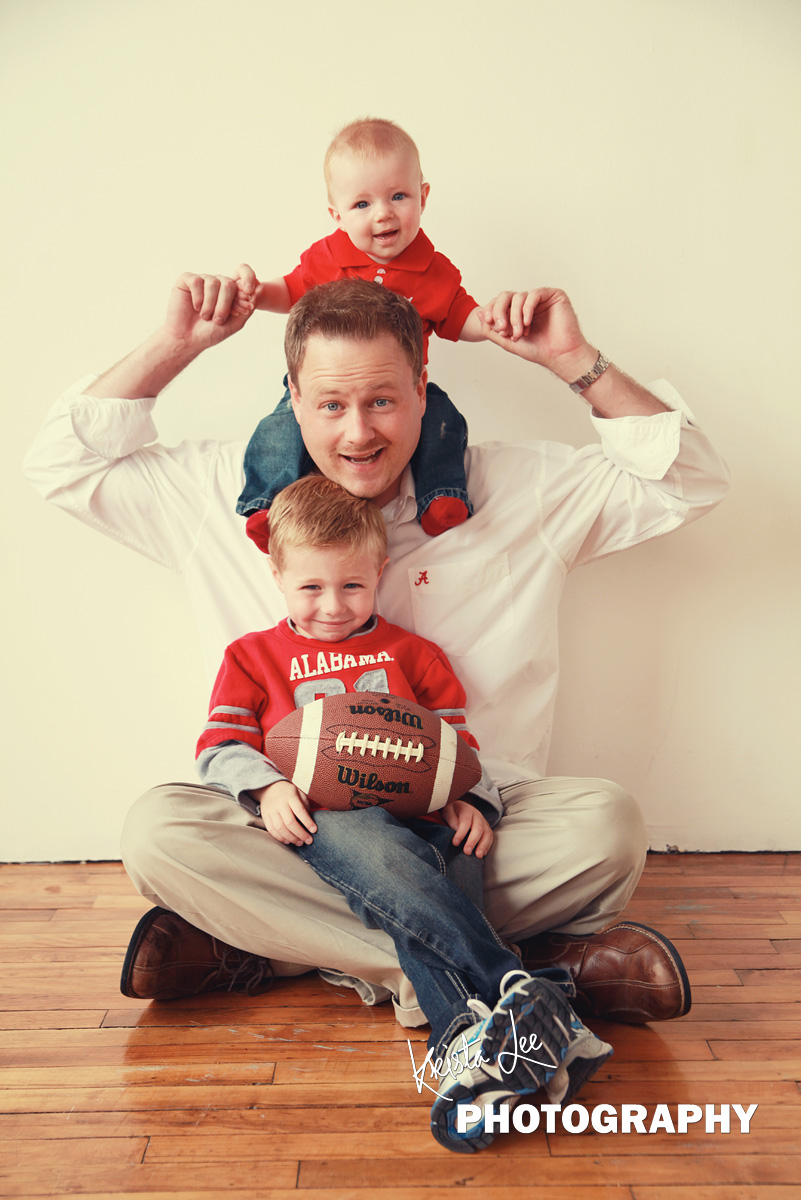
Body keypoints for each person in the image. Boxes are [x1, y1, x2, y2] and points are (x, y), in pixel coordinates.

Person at [23, 272, 729, 1036]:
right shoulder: (219, 492)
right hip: (291, 827)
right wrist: (173, 345)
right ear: (294, 397)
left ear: (422, 388)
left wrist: (574, 360)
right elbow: (59, 464)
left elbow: (690, 480)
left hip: (465, 824)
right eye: (330, 404)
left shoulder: (519, 487)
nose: (358, 434)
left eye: (382, 400)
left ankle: (271, 948)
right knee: (159, 834)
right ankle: (493, 972)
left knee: (606, 826)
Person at [194, 472, 613, 1151]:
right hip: (329, 818)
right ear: (276, 575)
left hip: (425, 815)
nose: (333, 605)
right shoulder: (251, 657)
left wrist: (469, 799)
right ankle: (520, 990)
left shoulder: (414, 655)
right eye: (311, 587)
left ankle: (475, 1048)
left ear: (381, 571)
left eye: (352, 586)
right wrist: (266, 789)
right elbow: (218, 747)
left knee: (451, 885)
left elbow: (456, 747)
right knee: (386, 864)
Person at [235, 117, 495, 539]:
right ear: (336, 215)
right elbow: (292, 289)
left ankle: (440, 495)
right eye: (362, 204)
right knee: (278, 429)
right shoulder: (328, 257)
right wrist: (256, 294)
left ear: (423, 197)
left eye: (398, 196)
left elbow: (460, 314)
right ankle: (268, 502)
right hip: (328, 384)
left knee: (444, 423)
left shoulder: (434, 269)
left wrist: (495, 323)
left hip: (400, 388)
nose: (383, 214)